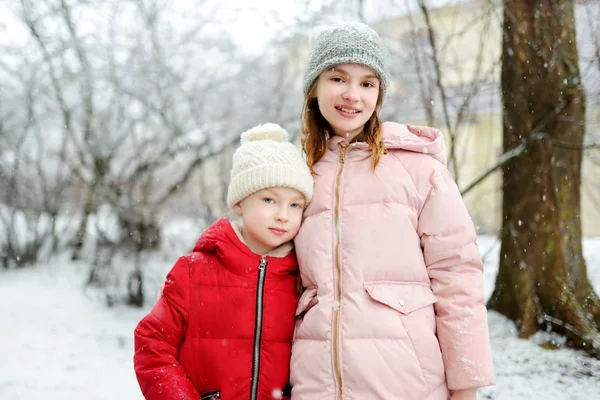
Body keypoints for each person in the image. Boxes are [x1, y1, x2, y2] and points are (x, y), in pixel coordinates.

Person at [290, 21, 495, 400]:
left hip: (406, 381)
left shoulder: (419, 169)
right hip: (316, 382)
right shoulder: (296, 175)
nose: (353, 94)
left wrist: (465, 385)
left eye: (368, 83)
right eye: (338, 78)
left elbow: (457, 276)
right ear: (314, 86)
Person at [133, 123, 314, 400]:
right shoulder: (193, 271)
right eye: (269, 199)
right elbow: (152, 343)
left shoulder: (305, 279)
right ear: (239, 203)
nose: (283, 215)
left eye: (295, 205)